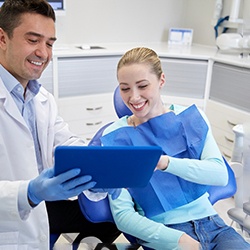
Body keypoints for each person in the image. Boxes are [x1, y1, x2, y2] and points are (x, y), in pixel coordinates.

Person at [100, 47, 250, 250]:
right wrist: (179, 240)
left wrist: (165, 163)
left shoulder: (190, 119)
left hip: (214, 225)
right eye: (125, 88)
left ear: (161, 81)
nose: (134, 97)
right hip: (165, 233)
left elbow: (220, 175)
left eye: (142, 86)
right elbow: (124, 216)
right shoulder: (114, 138)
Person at [0, 0, 120, 249]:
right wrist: (29, 193)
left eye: (50, 43)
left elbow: (65, 143)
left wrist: (100, 165)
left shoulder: (41, 98)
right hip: (7, 225)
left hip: (42, 211)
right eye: (33, 40)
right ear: (2, 39)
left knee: (113, 216)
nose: (43, 53)